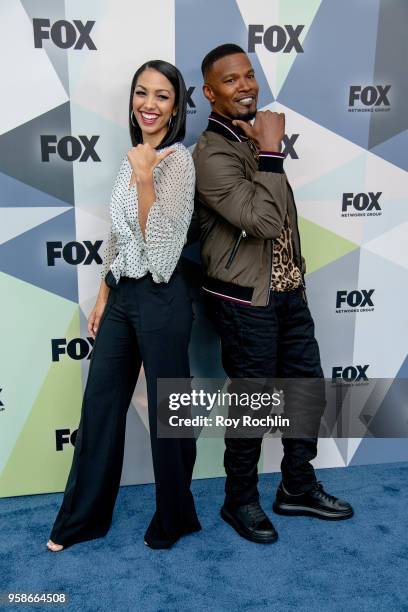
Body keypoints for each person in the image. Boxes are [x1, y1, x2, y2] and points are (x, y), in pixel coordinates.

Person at [193, 44, 353, 544]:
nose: (245, 86)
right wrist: (270, 150)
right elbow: (264, 220)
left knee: (306, 389)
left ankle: (297, 488)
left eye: (249, 76)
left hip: (288, 289)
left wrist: (264, 148)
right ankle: (239, 500)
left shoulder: (254, 138)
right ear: (209, 92)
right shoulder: (211, 153)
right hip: (244, 297)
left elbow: (280, 217)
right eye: (230, 80)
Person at [47, 60, 201, 551]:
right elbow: (119, 237)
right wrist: (105, 293)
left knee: (168, 412)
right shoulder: (132, 155)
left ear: (176, 107)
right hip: (124, 296)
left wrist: (145, 180)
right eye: (141, 93)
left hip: (164, 295)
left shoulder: (177, 162)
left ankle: (175, 516)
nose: (148, 104)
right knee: (99, 406)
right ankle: (82, 520)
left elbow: (160, 256)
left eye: (161, 95)